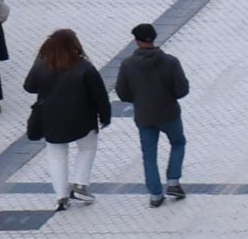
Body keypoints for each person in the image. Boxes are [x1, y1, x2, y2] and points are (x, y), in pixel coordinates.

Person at [22, 29, 107, 211]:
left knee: (56, 154)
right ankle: (80, 185)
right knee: (87, 147)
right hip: (82, 118)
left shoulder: (43, 65)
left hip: (50, 118)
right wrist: (105, 115)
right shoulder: (84, 67)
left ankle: (61, 196)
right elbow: (99, 95)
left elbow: (29, 87)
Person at [114, 21, 187, 210]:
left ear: (136, 41)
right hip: (169, 113)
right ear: (154, 38)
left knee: (149, 155)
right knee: (178, 143)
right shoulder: (170, 62)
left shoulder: (128, 64)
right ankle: (173, 182)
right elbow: (182, 90)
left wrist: (139, 99)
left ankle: (155, 195)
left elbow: (122, 93)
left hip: (144, 116)